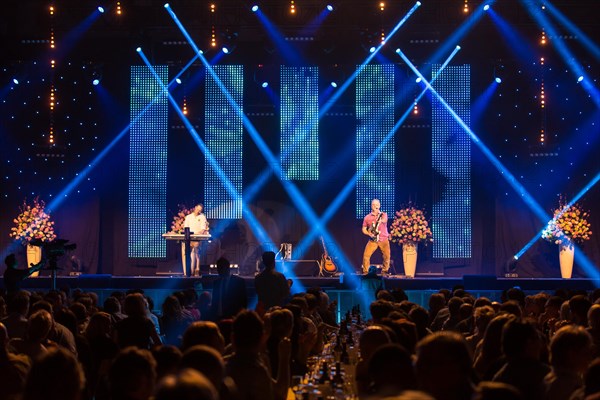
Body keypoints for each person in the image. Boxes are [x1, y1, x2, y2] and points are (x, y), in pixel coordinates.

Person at [209, 257, 247, 321]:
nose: (218, 270)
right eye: (218, 268)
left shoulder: (239, 282)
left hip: (233, 317)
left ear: (227, 268)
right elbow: (214, 301)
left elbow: (244, 301)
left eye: (220, 268)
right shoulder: (216, 283)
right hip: (219, 318)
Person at [361, 199, 391, 274]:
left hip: (383, 239)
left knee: (386, 256)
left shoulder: (383, 214)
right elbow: (364, 229)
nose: (375, 206)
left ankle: (384, 271)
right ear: (371, 206)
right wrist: (368, 233)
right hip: (373, 240)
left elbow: (385, 220)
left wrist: (380, 220)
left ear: (379, 205)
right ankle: (366, 272)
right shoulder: (367, 217)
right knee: (366, 256)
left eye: (377, 204)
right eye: (374, 204)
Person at [183, 204, 208, 277]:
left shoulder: (202, 217)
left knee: (197, 252)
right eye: (198, 209)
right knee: (188, 253)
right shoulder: (188, 217)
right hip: (189, 237)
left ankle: (197, 269)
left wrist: (198, 234)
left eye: (200, 210)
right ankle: (189, 270)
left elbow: (203, 228)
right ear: (195, 208)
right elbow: (185, 227)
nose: (198, 211)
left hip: (197, 237)